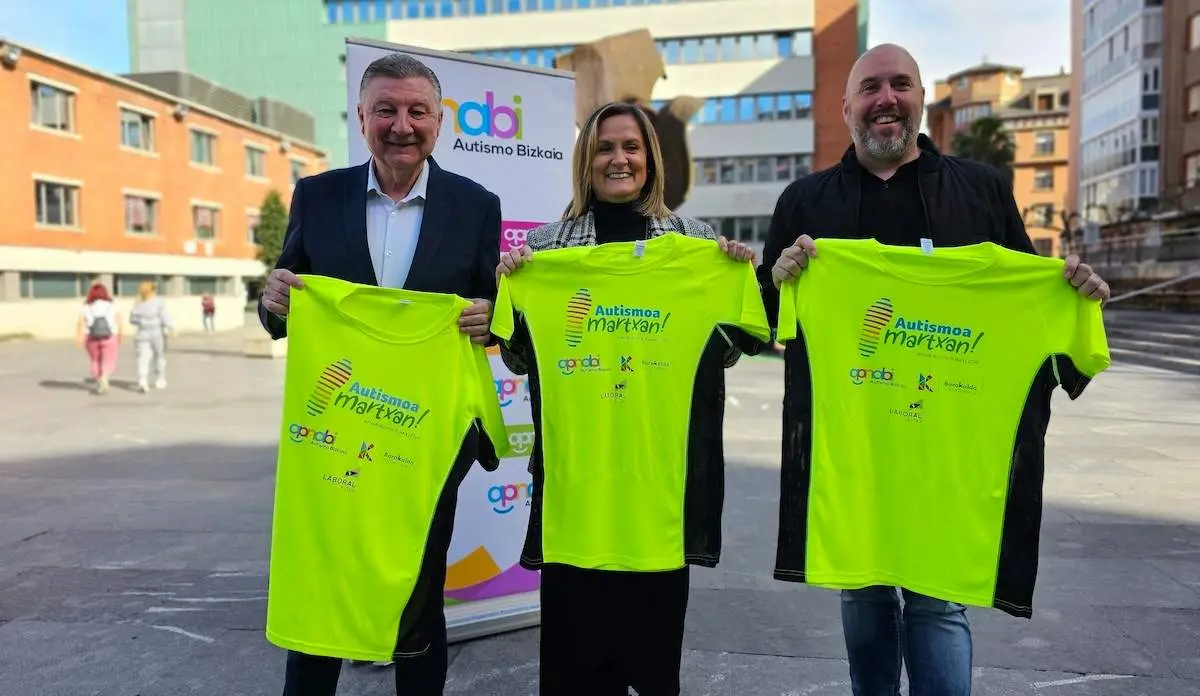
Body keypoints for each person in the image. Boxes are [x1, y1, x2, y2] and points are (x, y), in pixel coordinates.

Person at [758, 44, 1111, 696]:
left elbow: (1028, 300)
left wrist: (1072, 297)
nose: (885, 99)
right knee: (861, 596)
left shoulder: (979, 191)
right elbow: (758, 320)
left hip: (948, 449)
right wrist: (777, 282)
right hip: (853, 447)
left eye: (900, 85)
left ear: (921, 98)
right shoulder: (806, 202)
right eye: (870, 88)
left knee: (938, 602)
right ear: (846, 107)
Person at [495, 101, 761, 696]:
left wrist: (733, 276)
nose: (619, 159)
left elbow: (725, 352)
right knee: (572, 668)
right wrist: (512, 285)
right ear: (586, 161)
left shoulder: (696, 245)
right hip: (576, 491)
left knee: (653, 667)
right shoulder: (545, 252)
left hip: (658, 494)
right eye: (605, 148)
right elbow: (520, 359)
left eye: (631, 147)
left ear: (650, 159)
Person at [258, 51, 502, 696]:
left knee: (420, 581)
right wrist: (273, 300)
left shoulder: (477, 205)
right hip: (336, 427)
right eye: (386, 110)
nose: (402, 124)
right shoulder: (317, 194)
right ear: (362, 117)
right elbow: (286, 303)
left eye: (417, 110)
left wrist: (491, 318)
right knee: (324, 572)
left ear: (439, 119)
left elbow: (496, 308)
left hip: (424, 435)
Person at [76, 282, 122, 395]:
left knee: (95, 360)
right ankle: (105, 376)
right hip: (110, 336)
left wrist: (79, 338)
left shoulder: (85, 307)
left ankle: (99, 380)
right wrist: (120, 335)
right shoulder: (112, 305)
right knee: (109, 360)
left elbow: (80, 323)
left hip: (91, 337)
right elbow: (119, 321)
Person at [128, 280, 173, 392]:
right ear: (152, 290)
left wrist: (142, 321)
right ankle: (160, 378)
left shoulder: (137, 303)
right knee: (159, 355)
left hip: (142, 332)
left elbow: (132, 320)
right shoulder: (158, 301)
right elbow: (164, 315)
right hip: (157, 331)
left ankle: (142, 379)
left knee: (143, 357)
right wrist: (170, 326)